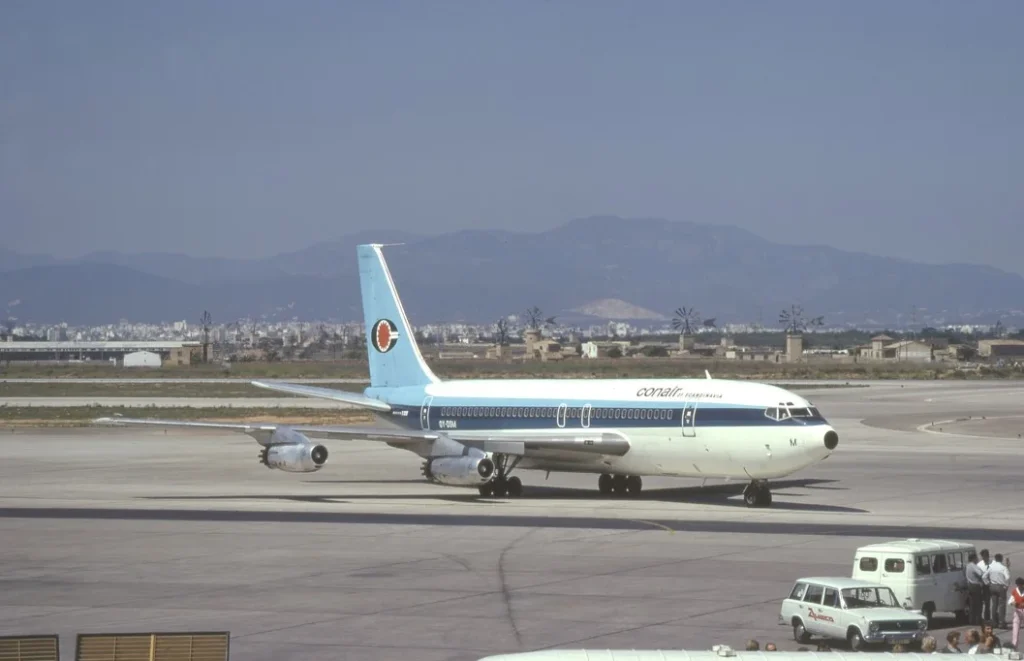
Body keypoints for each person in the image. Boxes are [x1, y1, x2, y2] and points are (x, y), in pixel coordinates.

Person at [985, 553, 1011, 627]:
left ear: (995, 559)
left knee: (994, 605)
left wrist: (988, 583)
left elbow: (984, 576)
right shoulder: (1003, 568)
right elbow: (1008, 578)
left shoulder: (991, 567)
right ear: (1001, 559)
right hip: (1000, 587)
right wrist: (1006, 586)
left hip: (992, 586)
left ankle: (994, 622)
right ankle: (1001, 622)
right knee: (1002, 605)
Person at [967, 553, 986, 625]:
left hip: (970, 585)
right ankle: (978, 620)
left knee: (972, 604)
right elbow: (980, 574)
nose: (977, 559)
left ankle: (971, 620)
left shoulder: (968, 565)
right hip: (976, 586)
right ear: (973, 558)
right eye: (976, 558)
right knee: (978, 604)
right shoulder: (973, 565)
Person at [1011, 577, 1024, 650]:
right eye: (1018, 585)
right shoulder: (1014, 591)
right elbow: (1010, 601)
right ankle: (1014, 647)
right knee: (1015, 630)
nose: (1020, 586)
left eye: (1021, 585)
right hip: (1017, 611)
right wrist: (1013, 603)